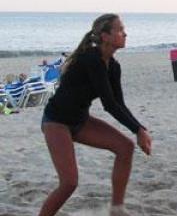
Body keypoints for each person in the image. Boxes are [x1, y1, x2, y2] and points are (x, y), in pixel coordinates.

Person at [38, 14, 152, 216]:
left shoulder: (113, 66)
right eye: (120, 30)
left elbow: (119, 103)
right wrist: (137, 130)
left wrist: (139, 129)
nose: (125, 34)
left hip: (80, 121)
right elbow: (108, 104)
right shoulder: (91, 58)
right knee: (69, 183)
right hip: (56, 122)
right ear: (105, 36)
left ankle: (116, 210)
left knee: (125, 148)